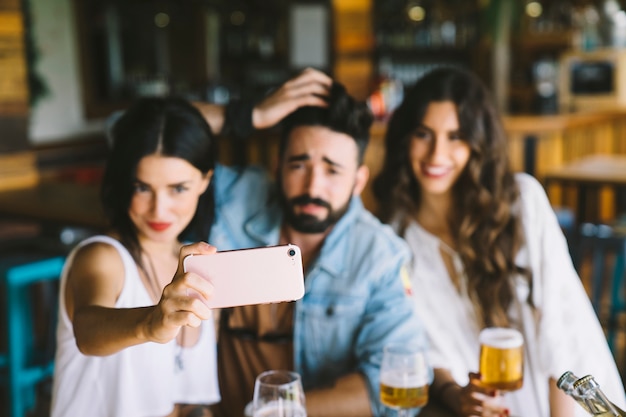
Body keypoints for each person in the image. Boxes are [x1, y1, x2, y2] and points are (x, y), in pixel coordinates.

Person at [372, 66, 626, 417]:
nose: (436, 154)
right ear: (405, 139)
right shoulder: (393, 238)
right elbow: (422, 347)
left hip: (556, 401)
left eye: (456, 136)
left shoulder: (521, 202)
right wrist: (459, 397)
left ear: (478, 144)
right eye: (423, 134)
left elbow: (562, 326)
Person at [202, 77, 428, 417]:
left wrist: (275, 412)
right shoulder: (236, 197)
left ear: (358, 181)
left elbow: (399, 386)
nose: (313, 186)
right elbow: (131, 133)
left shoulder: (381, 255)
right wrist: (248, 115)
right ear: (277, 166)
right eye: (299, 165)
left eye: (333, 170)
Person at [51, 98, 221, 417]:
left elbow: (189, 402)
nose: (159, 210)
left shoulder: (201, 269)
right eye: (142, 187)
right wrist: (149, 325)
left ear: (205, 181)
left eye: (178, 189)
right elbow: (87, 331)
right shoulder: (102, 258)